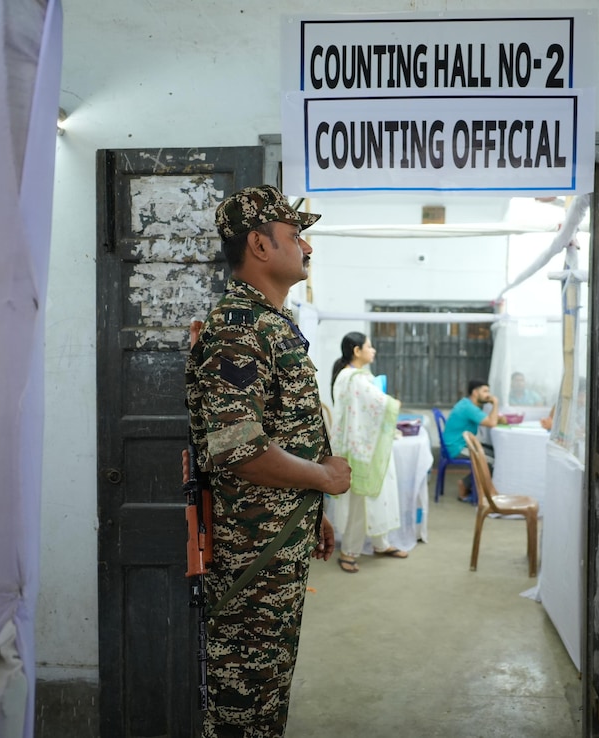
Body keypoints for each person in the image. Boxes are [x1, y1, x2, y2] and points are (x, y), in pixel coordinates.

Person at [185, 184, 351, 738]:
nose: (307, 247)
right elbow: (240, 450)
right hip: (250, 567)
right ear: (259, 244)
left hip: (276, 550)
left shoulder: (270, 325)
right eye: (295, 235)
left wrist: (311, 509)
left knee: (265, 705)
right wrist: (325, 477)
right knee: (242, 714)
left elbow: (282, 439)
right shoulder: (239, 328)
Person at [329, 331, 410, 573]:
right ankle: (349, 551)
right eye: (369, 346)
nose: (373, 350)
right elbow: (379, 404)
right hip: (359, 449)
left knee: (376, 496)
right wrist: (394, 404)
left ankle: (380, 543)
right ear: (356, 350)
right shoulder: (354, 378)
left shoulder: (352, 376)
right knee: (360, 501)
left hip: (361, 445)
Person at [440, 379, 500, 502]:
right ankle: (468, 486)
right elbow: (492, 422)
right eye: (485, 391)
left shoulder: (467, 404)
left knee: (496, 453)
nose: (488, 395)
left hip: (457, 444)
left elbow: (490, 420)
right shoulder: (469, 408)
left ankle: (474, 487)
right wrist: (496, 404)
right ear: (475, 392)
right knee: (495, 460)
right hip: (456, 447)